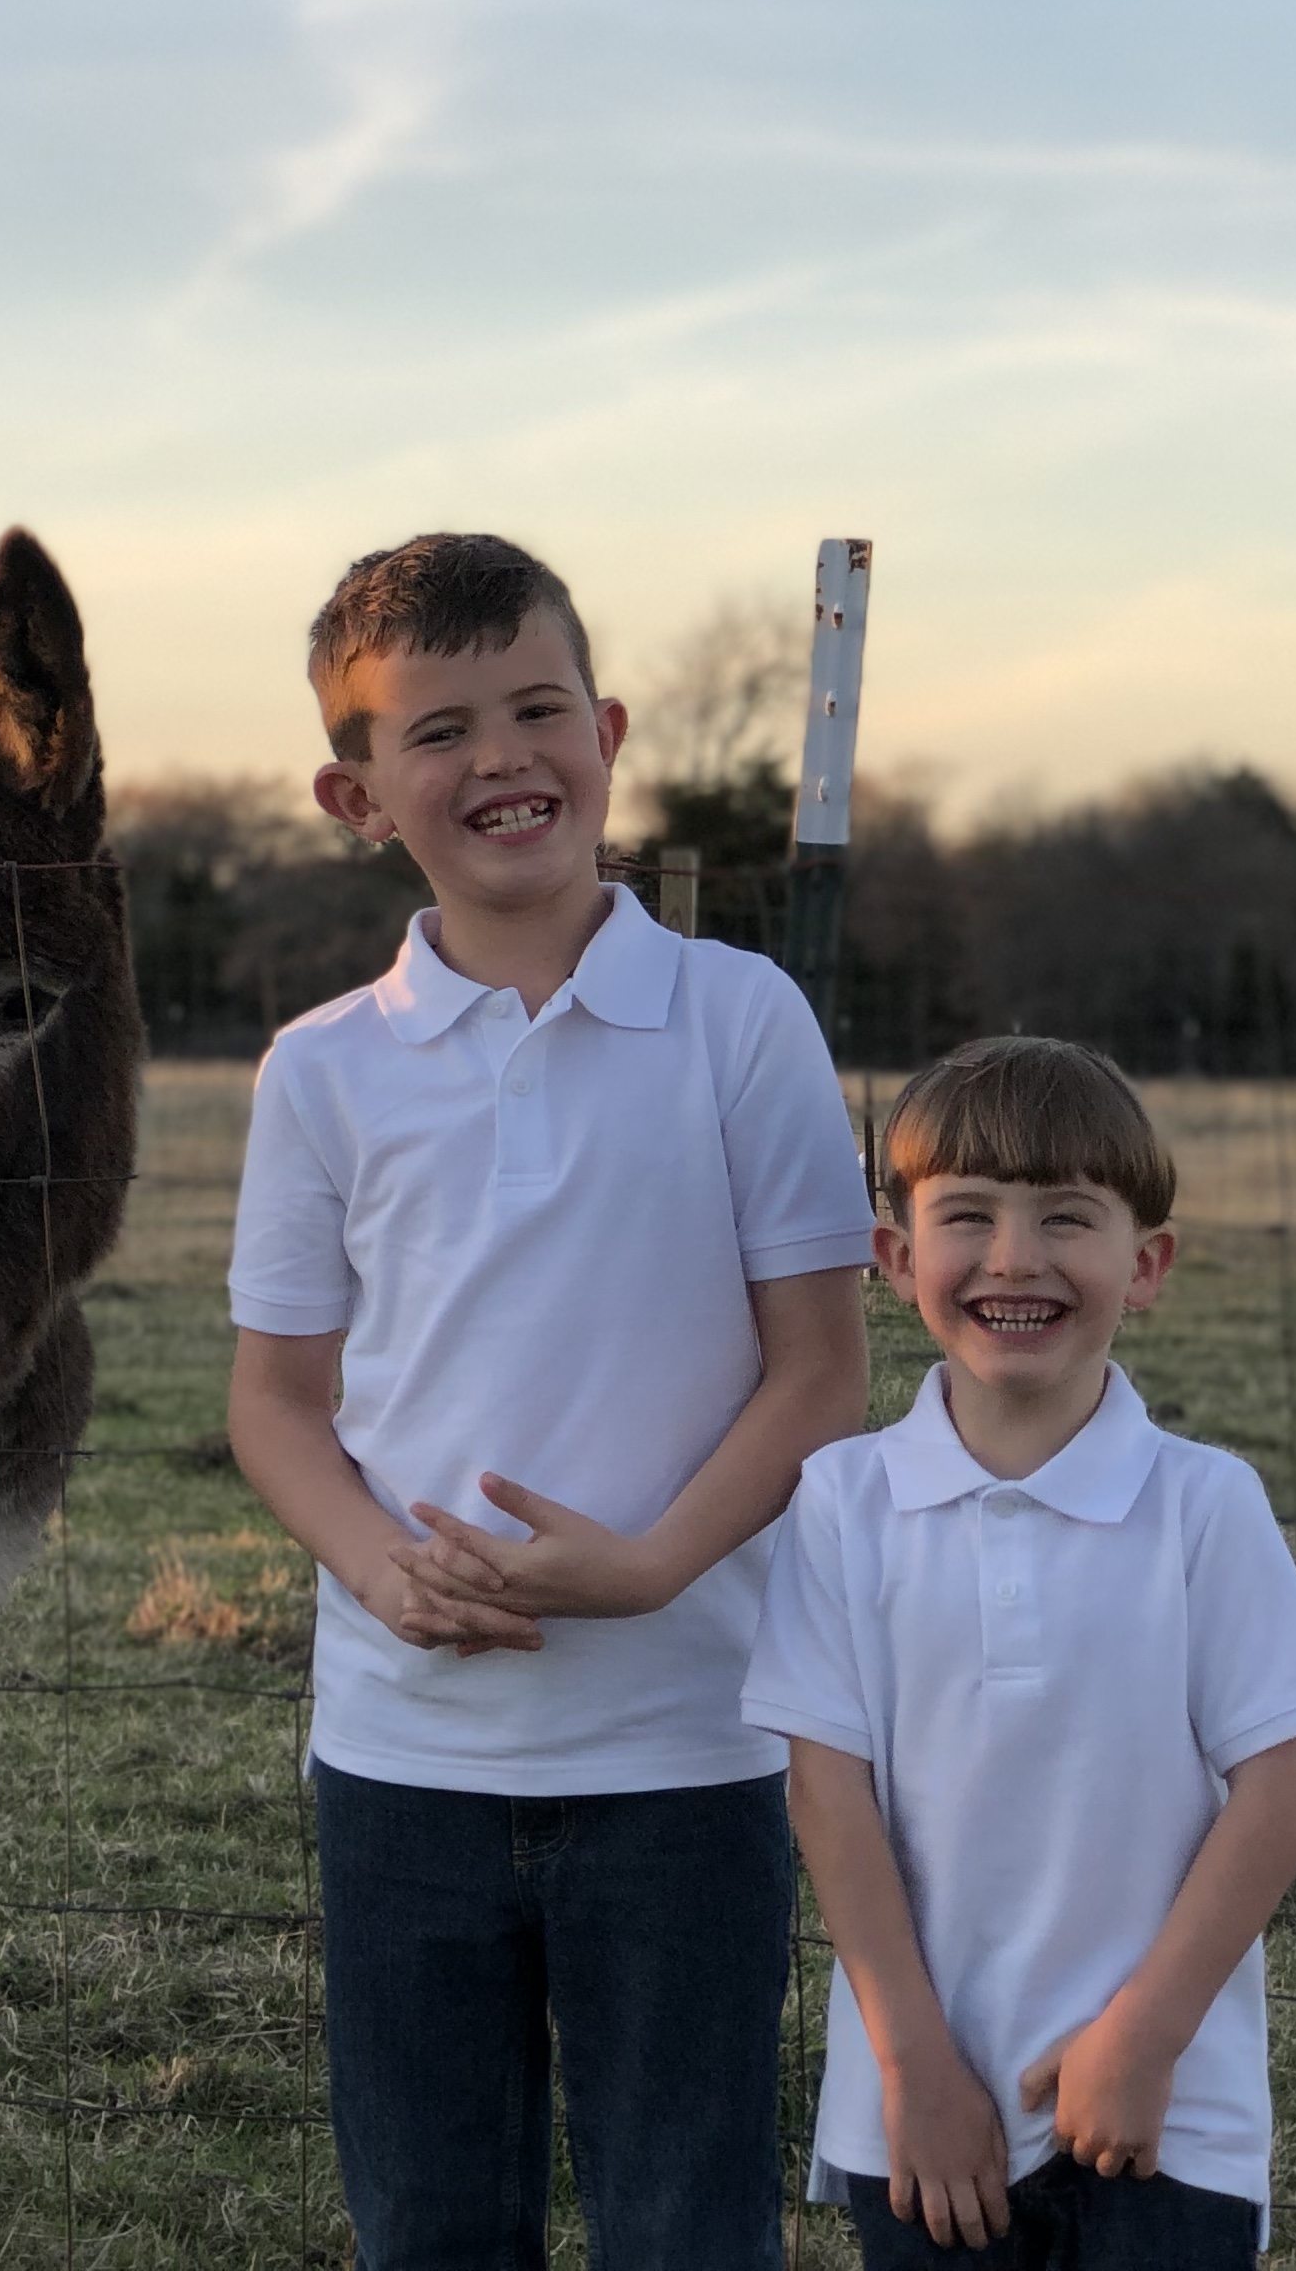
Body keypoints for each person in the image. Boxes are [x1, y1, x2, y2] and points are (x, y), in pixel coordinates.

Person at [225, 531, 877, 2269]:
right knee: (431, 2225)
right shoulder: (319, 1070)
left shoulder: (740, 1020)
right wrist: (380, 1567)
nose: (501, 757)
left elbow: (822, 1370)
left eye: (535, 709)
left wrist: (653, 1564)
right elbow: (275, 1402)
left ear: (608, 731)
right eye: (436, 731)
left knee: (685, 2225)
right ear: (356, 796)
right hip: (400, 1757)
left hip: (687, 1746)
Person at [746, 1037, 1296, 2267]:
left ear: (1147, 1264)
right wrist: (912, 2063)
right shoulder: (843, 1503)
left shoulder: (1206, 1506)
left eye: (1066, 1217)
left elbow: (1280, 1796)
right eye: (968, 1216)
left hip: (1164, 2114)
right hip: (922, 2118)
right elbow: (828, 1795)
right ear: (895, 1258)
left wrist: (1146, 2039)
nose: (1015, 1258)